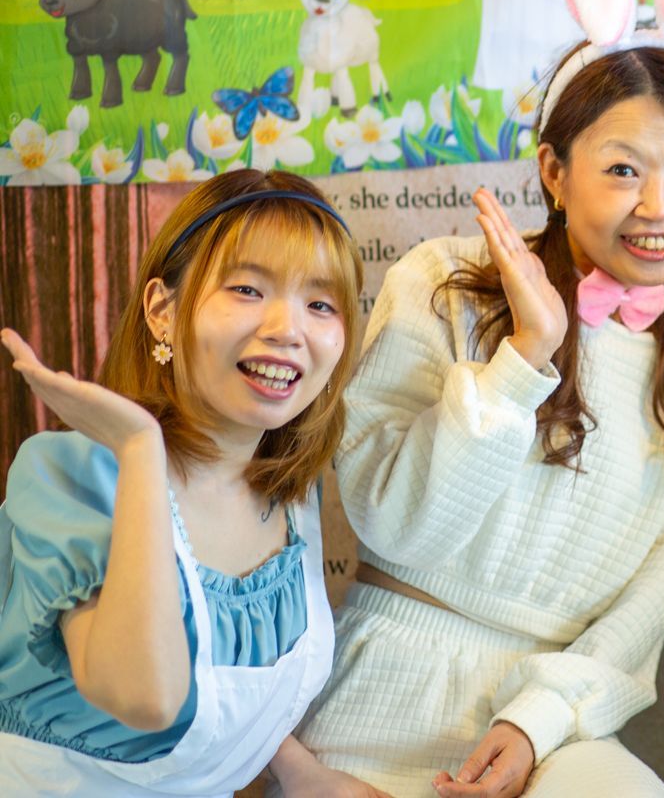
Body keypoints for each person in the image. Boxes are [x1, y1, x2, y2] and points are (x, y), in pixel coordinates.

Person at [292, 0, 664, 798]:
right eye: (622, 167)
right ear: (554, 171)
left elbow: (644, 614)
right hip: (379, 704)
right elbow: (393, 525)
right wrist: (523, 360)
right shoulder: (446, 281)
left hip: (554, 730)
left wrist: (536, 720)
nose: (660, 206)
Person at [0, 170, 390, 797]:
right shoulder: (74, 477)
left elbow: (224, 677)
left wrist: (301, 773)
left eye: (320, 304)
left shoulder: (292, 495)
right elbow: (145, 699)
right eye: (247, 288)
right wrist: (139, 450)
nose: (288, 329)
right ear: (162, 310)